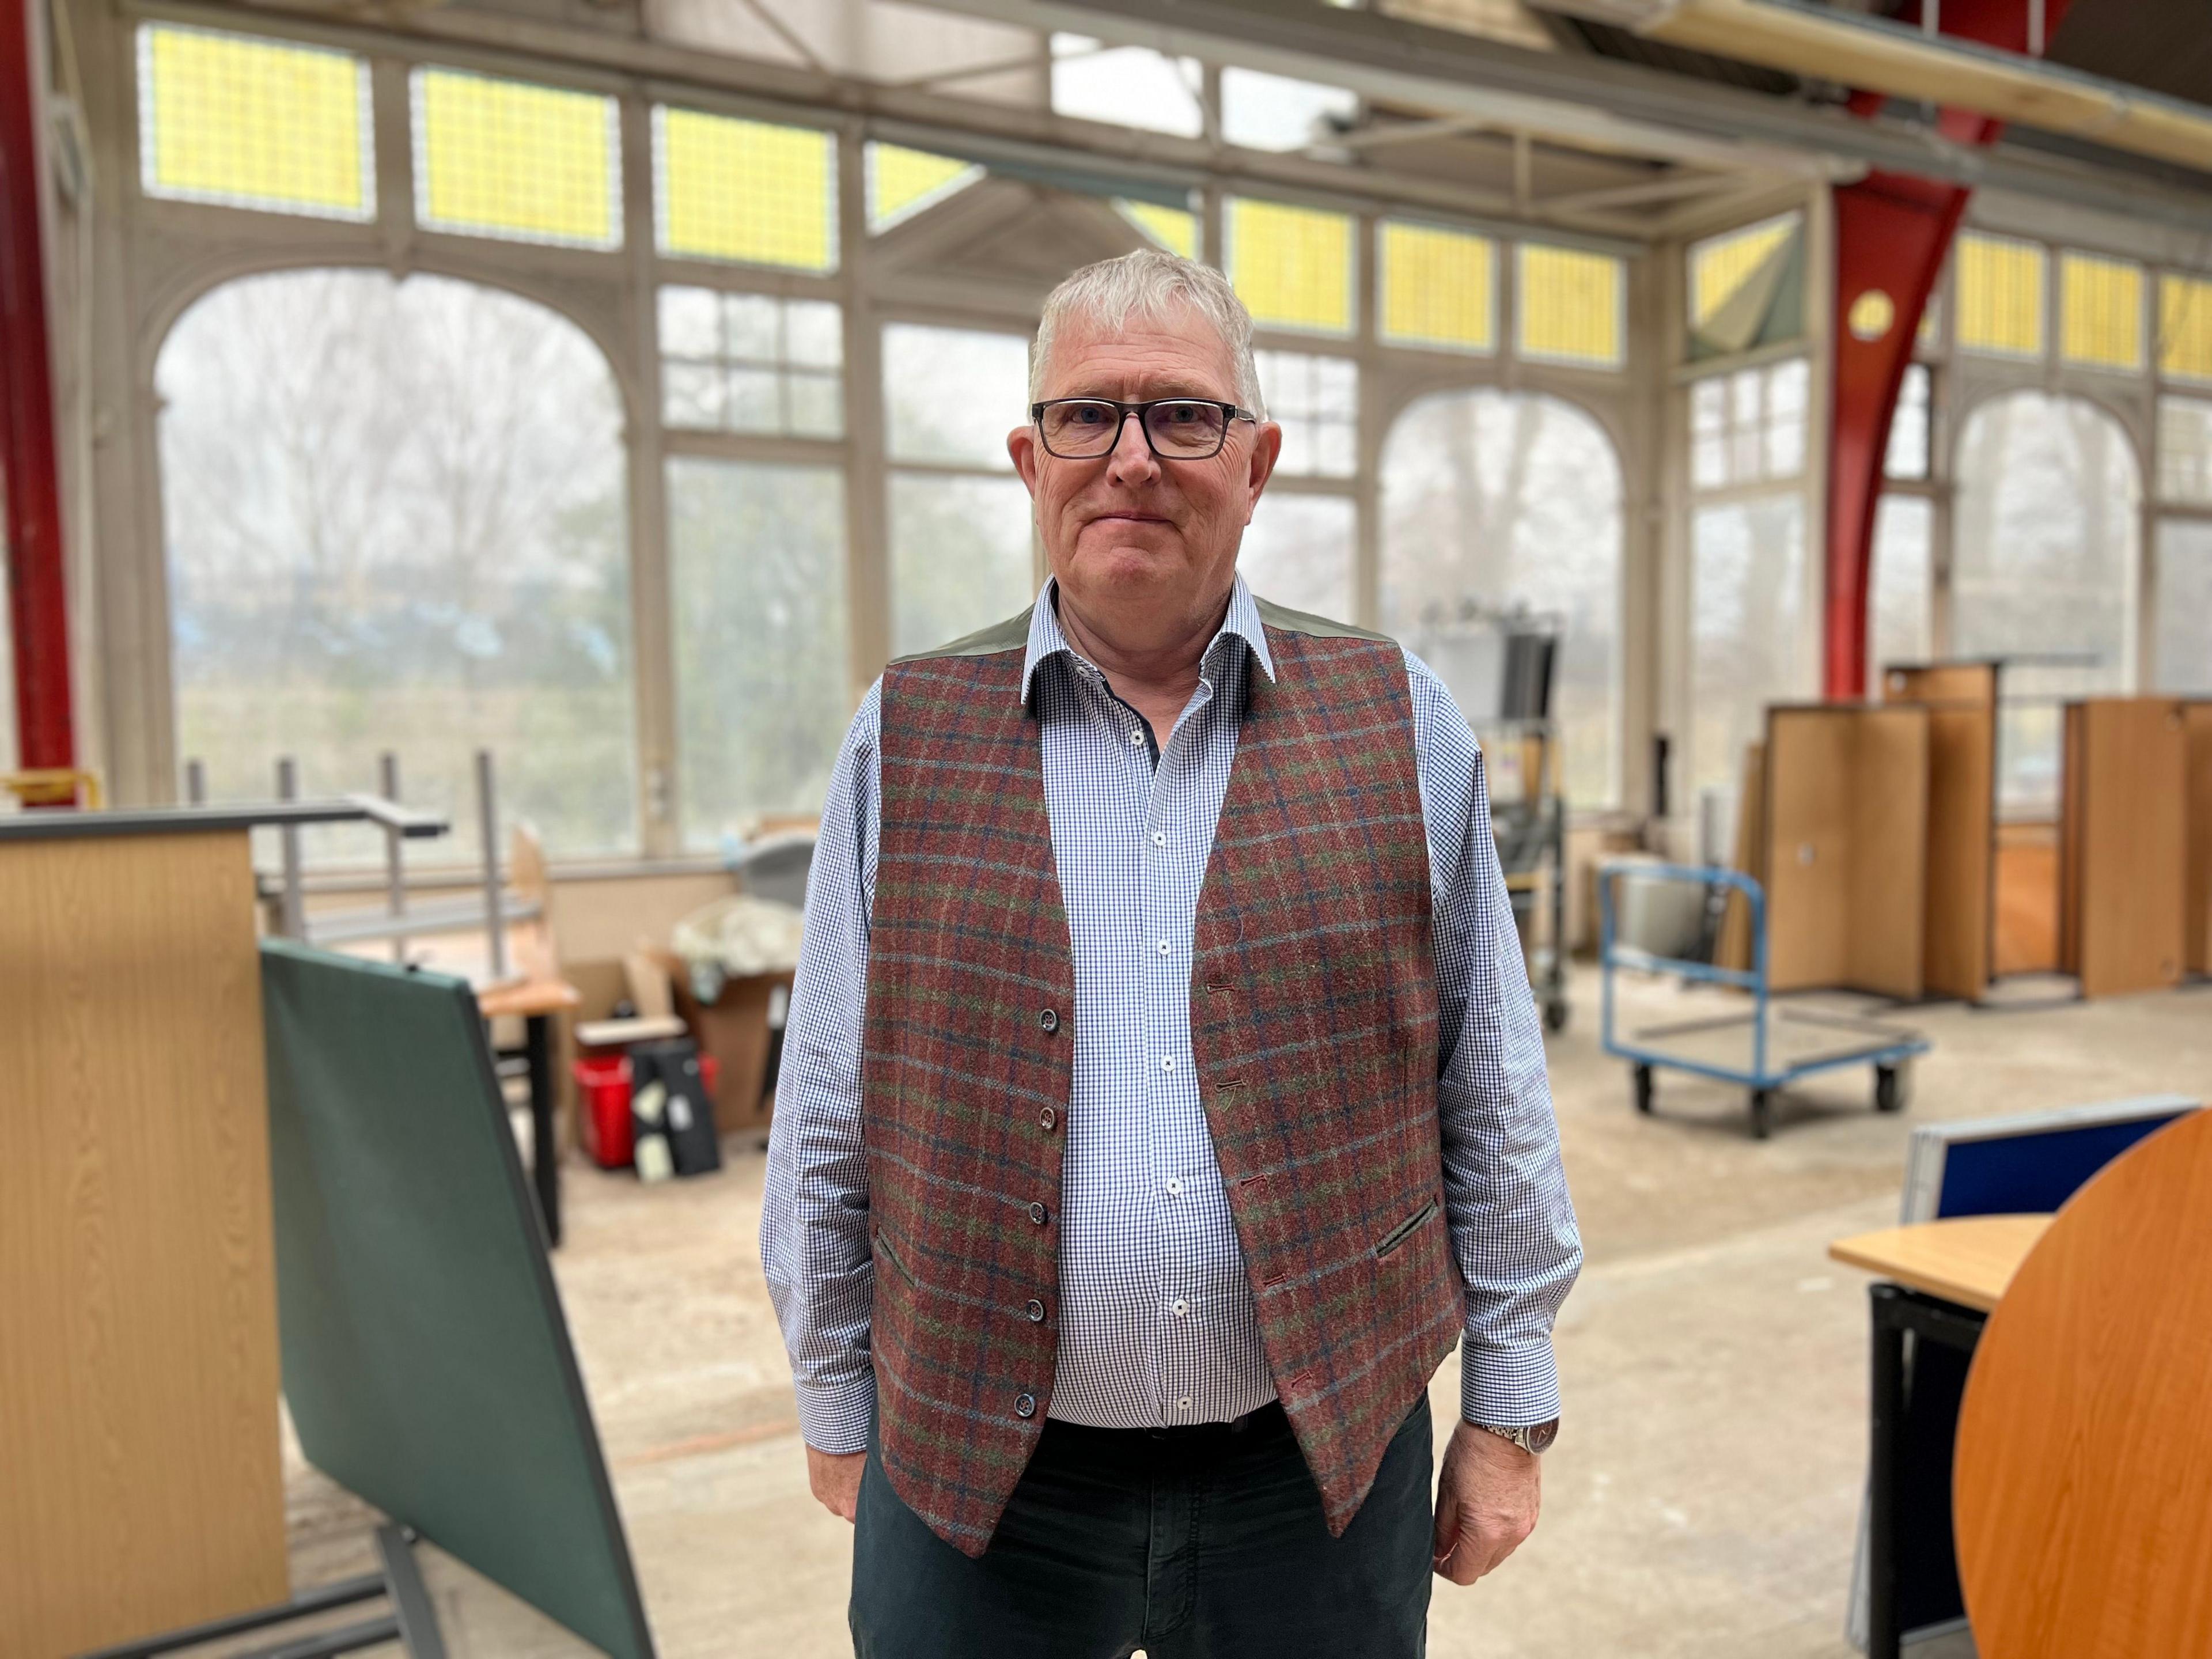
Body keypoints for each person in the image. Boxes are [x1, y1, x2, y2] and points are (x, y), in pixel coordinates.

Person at [760, 247, 1581, 1658]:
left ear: (1256, 461)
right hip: (977, 1482)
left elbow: (1492, 1091)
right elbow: (831, 1104)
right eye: (1088, 415)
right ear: (1031, 458)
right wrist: (839, 1392)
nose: (1130, 458)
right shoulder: (906, 735)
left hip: (1315, 1470)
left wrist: (1508, 1405)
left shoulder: (1400, 722)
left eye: (1183, 416)